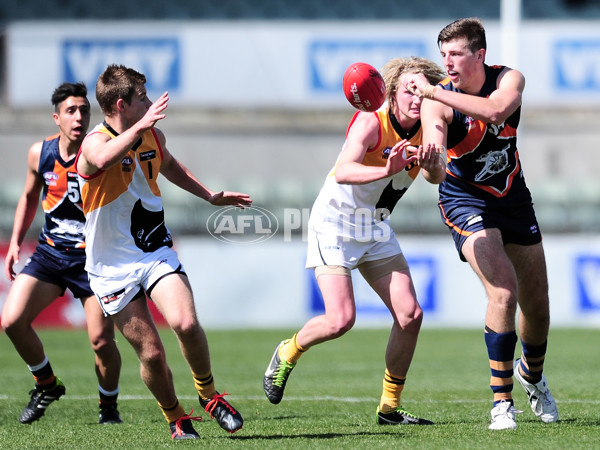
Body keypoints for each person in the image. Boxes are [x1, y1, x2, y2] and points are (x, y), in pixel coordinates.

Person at [263, 57, 446, 425]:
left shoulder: (430, 126)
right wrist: (386, 169)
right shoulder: (372, 119)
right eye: (409, 88)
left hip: (375, 227)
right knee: (340, 319)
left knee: (410, 316)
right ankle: (288, 351)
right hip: (334, 224)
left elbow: (436, 176)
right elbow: (344, 170)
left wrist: (429, 162)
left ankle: (389, 408)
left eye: (422, 90)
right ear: (392, 90)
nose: (417, 96)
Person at [75, 64, 252, 440]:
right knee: (152, 354)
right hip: (110, 267)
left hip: (153, 249)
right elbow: (104, 158)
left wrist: (210, 195)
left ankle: (209, 395)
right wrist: (141, 127)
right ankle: (176, 417)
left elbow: (169, 165)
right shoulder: (92, 144)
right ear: (121, 105)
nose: (152, 104)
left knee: (186, 323)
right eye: (143, 98)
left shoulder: (152, 134)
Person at [407, 17, 559, 430]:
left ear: (480, 55)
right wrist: (432, 164)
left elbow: (495, 111)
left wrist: (435, 89)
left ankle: (532, 374)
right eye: (443, 55)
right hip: (464, 200)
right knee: (504, 293)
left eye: (456, 54)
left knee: (539, 304)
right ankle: (502, 402)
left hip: (512, 196)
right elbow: (434, 172)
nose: (448, 62)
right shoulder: (437, 103)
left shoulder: (508, 79)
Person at [1, 82, 123, 425]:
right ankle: (46, 384)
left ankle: (108, 406)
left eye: (84, 110)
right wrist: (14, 243)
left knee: (101, 341)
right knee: (11, 321)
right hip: (50, 255)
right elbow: (27, 198)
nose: (79, 116)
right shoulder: (39, 153)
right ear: (57, 118)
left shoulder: (102, 151)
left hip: (93, 260)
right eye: (71, 110)